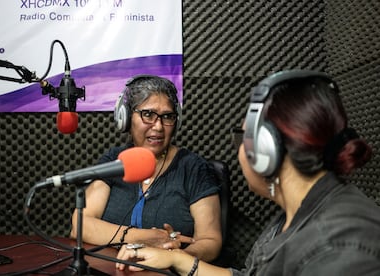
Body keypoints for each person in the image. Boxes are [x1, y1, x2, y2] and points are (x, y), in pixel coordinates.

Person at [115, 70, 380, 275]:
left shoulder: (338, 245)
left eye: (244, 138)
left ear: (265, 150)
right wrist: (176, 259)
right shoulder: (297, 215)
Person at [70, 74, 222, 262]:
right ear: (125, 117)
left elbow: (211, 240)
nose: (158, 126)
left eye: (167, 116)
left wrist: (176, 257)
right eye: (148, 114)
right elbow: (80, 226)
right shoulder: (114, 161)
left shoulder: (193, 168)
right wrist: (145, 238)